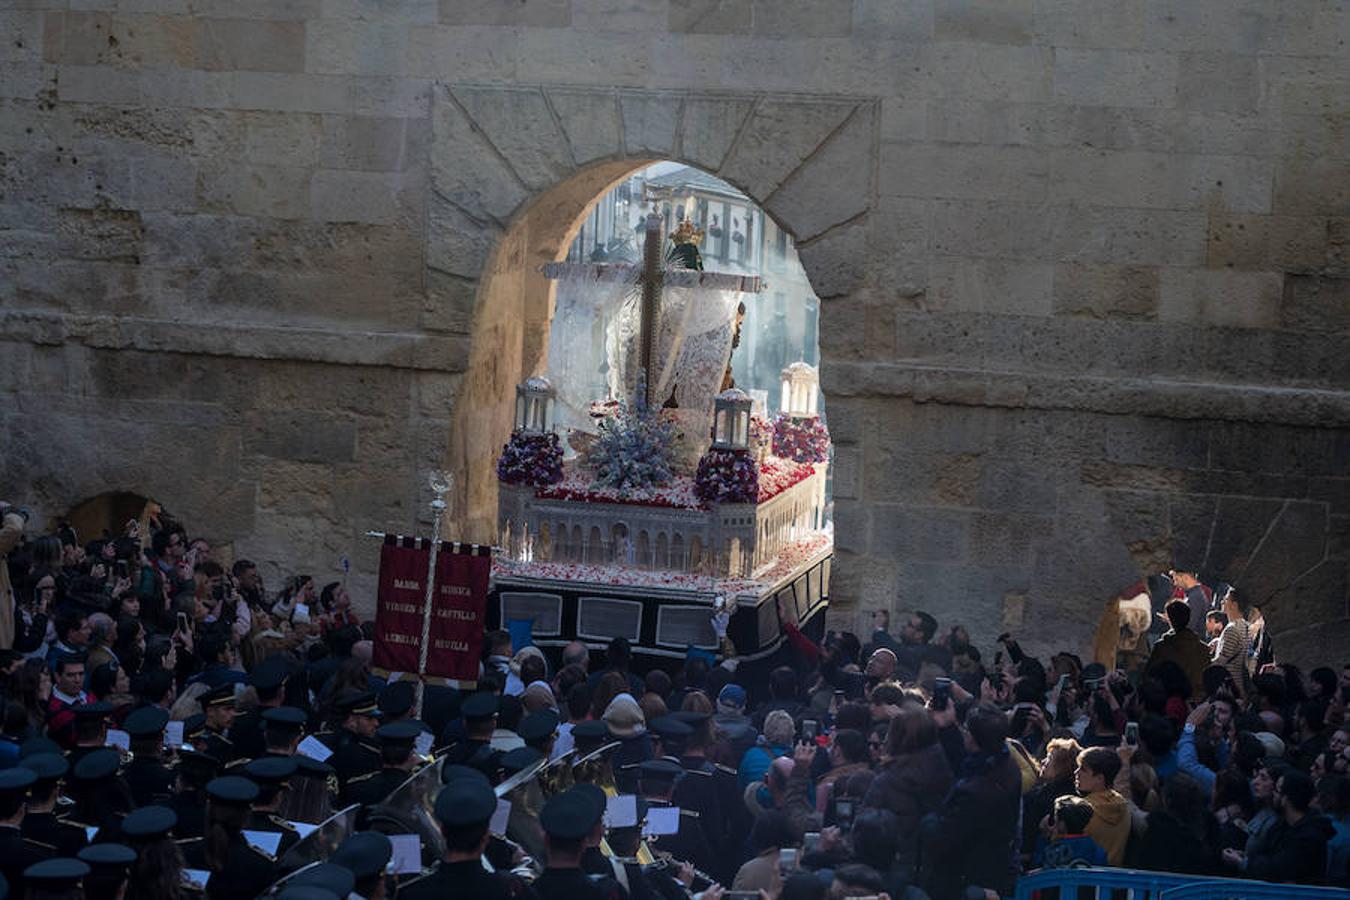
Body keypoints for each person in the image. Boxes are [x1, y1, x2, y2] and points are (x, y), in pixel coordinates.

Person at [922, 703, 1021, 900]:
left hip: (969, 879)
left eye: (965, 729)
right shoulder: (1005, 763)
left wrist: (929, 820)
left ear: (973, 738)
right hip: (994, 867)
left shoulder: (975, 792)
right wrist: (948, 728)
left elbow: (945, 837)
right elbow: (962, 760)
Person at [862, 707, 952, 880]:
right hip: (932, 869)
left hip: (892, 869)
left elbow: (862, 829)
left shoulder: (886, 782)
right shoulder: (945, 771)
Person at [1223, 770, 1335, 883]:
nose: (1273, 794)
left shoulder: (1309, 836)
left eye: (1277, 790)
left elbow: (1279, 868)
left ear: (1286, 799)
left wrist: (1243, 862)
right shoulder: (1282, 825)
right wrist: (1244, 857)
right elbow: (1268, 856)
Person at [1074, 746, 1130, 866]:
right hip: (1114, 879)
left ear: (1099, 778)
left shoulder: (1080, 810)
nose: (1076, 772)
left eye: (1083, 769)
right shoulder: (1124, 806)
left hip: (1084, 878)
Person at [1147, 599, 1212, 699]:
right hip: (1197, 700)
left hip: (1168, 701)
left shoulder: (1162, 648)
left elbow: (1149, 675)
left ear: (1169, 619)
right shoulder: (1203, 649)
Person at [1036, 795, 1108, 869]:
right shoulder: (1097, 850)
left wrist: (1044, 837)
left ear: (1062, 824)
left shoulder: (1051, 850)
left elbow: (1038, 866)